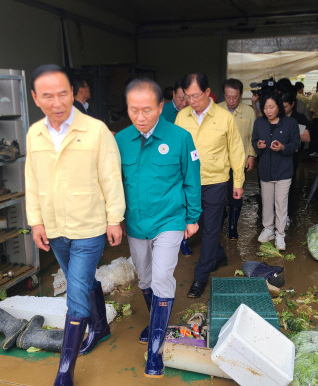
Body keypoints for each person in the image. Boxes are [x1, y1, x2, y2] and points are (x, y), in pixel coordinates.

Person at [25, 64, 125, 385]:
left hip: (89, 226)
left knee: (75, 294)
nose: (57, 102)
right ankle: (101, 326)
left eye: (63, 94)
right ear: (35, 98)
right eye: (47, 96)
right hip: (54, 229)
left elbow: (111, 179)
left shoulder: (95, 131)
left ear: (73, 93)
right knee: (79, 280)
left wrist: (114, 219)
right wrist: (36, 222)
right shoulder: (34, 134)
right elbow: (32, 181)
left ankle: (65, 372)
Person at [116, 79, 201, 377]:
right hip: (137, 223)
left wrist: (193, 217)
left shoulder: (180, 138)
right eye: (134, 110)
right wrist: (113, 218)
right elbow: (113, 185)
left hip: (170, 219)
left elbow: (192, 178)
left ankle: (156, 348)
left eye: (147, 110)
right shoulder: (121, 140)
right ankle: (156, 323)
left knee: (163, 274)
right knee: (145, 277)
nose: (140, 117)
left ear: (161, 107)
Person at [175, 72, 246, 298]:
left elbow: (236, 150)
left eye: (195, 96)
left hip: (215, 181)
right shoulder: (182, 117)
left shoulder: (225, 118)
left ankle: (200, 277)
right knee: (203, 225)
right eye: (187, 97)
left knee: (211, 229)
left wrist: (238, 181)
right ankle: (220, 255)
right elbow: (176, 151)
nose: (191, 102)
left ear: (207, 92)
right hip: (189, 183)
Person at [252, 93, 300, 250]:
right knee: (266, 202)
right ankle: (268, 229)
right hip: (265, 170)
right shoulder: (259, 123)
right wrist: (258, 145)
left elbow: (295, 144)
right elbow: (254, 141)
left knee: (281, 203)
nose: (268, 111)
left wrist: (283, 147)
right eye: (265, 107)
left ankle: (280, 233)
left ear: (279, 106)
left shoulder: (290, 123)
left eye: (271, 107)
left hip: (283, 171)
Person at [218, 78, 257, 240]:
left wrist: (251, 155)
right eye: (228, 97)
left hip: (238, 162)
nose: (231, 100)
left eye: (235, 97)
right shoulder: (216, 109)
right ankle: (220, 221)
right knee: (219, 195)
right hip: (219, 162)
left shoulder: (249, 112)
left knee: (236, 194)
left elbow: (252, 137)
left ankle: (233, 227)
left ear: (241, 95)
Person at [281, 92, 310, 227]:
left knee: (289, 186)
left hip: (291, 155)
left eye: (285, 106)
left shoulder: (299, 118)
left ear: (292, 105)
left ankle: (287, 214)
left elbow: (306, 138)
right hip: (276, 156)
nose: (282, 109)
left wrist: (290, 135)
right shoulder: (276, 115)